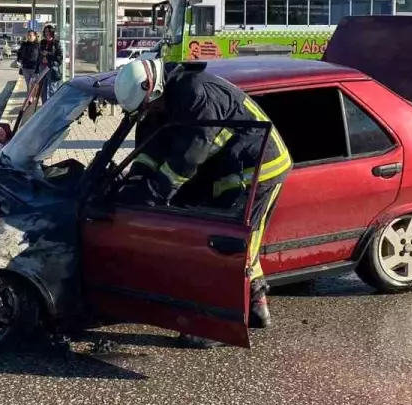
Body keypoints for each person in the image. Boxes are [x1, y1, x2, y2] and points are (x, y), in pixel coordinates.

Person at [113, 58, 292, 347]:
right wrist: (135, 183)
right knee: (239, 244)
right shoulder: (162, 100)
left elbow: (187, 158)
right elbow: (151, 147)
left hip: (259, 167)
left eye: (149, 107)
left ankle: (218, 326)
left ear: (154, 91)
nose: (149, 113)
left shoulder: (196, 94)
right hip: (228, 168)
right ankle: (257, 307)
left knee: (231, 247)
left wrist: (155, 195)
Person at [38, 24, 64, 101]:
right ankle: (44, 106)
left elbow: (59, 57)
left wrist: (48, 56)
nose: (47, 33)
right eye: (45, 31)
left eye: (49, 31)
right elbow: (39, 54)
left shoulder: (56, 43)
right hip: (42, 67)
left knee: (52, 88)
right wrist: (42, 57)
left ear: (52, 32)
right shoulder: (42, 42)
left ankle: (52, 106)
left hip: (52, 67)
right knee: (43, 88)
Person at [16, 31, 42, 98]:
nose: (29, 37)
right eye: (28, 35)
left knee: (33, 84)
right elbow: (19, 53)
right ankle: (29, 100)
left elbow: (40, 56)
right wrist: (19, 59)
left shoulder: (38, 45)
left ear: (35, 36)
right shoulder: (24, 44)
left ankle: (33, 98)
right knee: (28, 84)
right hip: (25, 68)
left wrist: (39, 66)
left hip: (34, 68)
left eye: (30, 35)